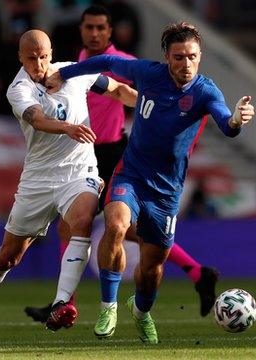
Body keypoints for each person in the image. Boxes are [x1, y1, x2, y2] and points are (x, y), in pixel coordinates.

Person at [46, 22, 255, 343]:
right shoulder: (148, 73)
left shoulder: (205, 90)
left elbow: (226, 126)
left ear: (200, 57)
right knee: (115, 226)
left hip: (167, 190)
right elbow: (104, 63)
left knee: (151, 268)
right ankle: (108, 307)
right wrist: (65, 74)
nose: (185, 64)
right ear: (167, 57)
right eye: (178, 57)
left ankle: (141, 312)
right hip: (130, 173)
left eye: (192, 57)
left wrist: (237, 119)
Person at [0, 29, 137, 347]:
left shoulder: (76, 72)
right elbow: (37, 119)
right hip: (38, 181)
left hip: (78, 173)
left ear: (51, 53)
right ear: (20, 58)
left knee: (82, 219)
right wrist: (68, 127)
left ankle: (62, 304)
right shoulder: (19, 89)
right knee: (8, 258)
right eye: (31, 58)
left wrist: (157, 104)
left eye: (43, 56)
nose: (39, 63)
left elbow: (119, 91)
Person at [23, 5, 221, 325]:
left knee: (86, 227)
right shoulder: (78, 64)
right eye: (89, 27)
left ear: (110, 31)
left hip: (113, 151)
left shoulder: (126, 63)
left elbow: (143, 94)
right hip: (83, 152)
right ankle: (197, 272)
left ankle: (67, 304)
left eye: (101, 27)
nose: (95, 33)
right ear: (82, 30)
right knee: (116, 230)